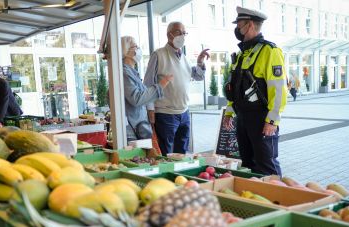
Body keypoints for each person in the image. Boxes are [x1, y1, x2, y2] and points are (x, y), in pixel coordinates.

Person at [222, 6, 287, 176]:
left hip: (261, 119)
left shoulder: (270, 51)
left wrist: (272, 121)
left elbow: (279, 90)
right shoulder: (242, 53)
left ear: (249, 25)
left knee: (267, 165)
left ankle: (276, 199)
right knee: (248, 164)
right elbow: (234, 88)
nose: (237, 29)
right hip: (242, 117)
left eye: (239, 24)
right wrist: (229, 112)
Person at [144, 21, 209, 156]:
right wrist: (150, 109)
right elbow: (148, 83)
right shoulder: (158, 54)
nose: (183, 36)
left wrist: (200, 62)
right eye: (179, 32)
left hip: (184, 112)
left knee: (182, 154)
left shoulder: (183, 56)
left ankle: (181, 177)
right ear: (169, 35)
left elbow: (197, 76)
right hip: (165, 113)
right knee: (165, 153)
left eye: (184, 33)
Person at [121, 36, 173, 142]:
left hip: (138, 129)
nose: (138, 49)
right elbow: (137, 98)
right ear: (125, 51)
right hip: (132, 132)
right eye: (135, 46)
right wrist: (161, 85)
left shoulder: (132, 71)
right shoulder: (124, 72)